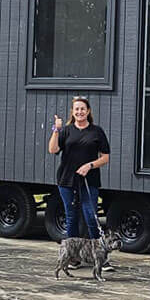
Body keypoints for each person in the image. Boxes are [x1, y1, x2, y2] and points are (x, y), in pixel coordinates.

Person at [48, 95, 110, 240]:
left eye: (83, 109)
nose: (79, 112)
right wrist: (56, 130)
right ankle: (73, 255)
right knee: (71, 216)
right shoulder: (67, 131)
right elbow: (53, 149)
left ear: (88, 111)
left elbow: (106, 158)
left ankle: (97, 252)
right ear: (72, 111)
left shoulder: (96, 131)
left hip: (89, 180)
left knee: (90, 216)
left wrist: (90, 165)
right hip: (67, 179)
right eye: (77, 109)